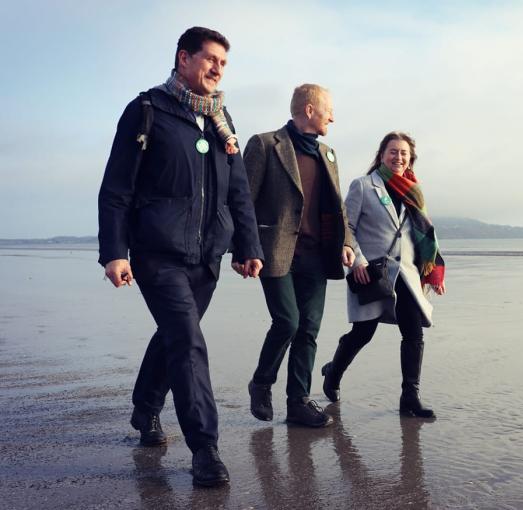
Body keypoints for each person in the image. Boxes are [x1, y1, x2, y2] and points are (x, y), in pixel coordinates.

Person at [97, 26, 264, 487]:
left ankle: (145, 409)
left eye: (223, 63)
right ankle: (205, 450)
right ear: (183, 58)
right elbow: (116, 188)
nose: (217, 68)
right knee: (188, 341)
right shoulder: (147, 110)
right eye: (209, 59)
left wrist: (248, 247)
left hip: (207, 255)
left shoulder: (221, 119)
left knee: (176, 336)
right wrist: (114, 252)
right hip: (157, 252)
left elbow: (238, 193)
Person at [238, 84, 355, 428]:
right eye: (328, 110)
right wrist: (244, 248)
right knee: (287, 321)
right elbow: (242, 201)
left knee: (309, 329)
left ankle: (298, 402)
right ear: (309, 110)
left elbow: (338, 206)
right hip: (275, 253)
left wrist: (346, 241)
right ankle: (261, 382)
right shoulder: (264, 145)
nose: (332, 117)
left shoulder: (328, 154)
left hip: (317, 256)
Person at [321, 132, 445, 418]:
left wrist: (432, 272)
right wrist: (357, 262)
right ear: (381, 154)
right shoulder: (364, 186)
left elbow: (422, 234)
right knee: (364, 332)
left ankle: (410, 397)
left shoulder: (414, 191)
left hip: (407, 274)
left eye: (404, 153)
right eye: (393, 152)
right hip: (372, 272)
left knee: (413, 332)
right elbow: (346, 227)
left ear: (410, 158)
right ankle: (333, 373)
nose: (398, 158)